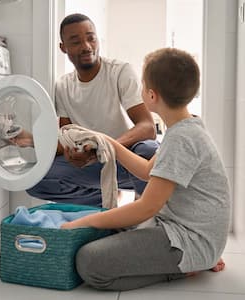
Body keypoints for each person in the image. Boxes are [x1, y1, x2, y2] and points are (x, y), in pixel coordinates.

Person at [61, 48, 231, 291]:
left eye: (142, 84)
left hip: (189, 240)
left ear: (151, 96)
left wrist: (86, 221)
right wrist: (108, 141)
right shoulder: (184, 127)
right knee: (105, 230)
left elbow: (146, 207)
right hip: (185, 230)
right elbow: (146, 171)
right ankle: (193, 259)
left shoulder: (182, 138)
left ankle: (185, 268)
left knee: (89, 263)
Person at [22, 13, 159, 206]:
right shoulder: (62, 86)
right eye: (76, 41)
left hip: (125, 157)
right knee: (35, 178)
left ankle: (146, 211)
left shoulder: (119, 71)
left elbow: (148, 127)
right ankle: (104, 201)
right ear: (63, 47)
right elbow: (65, 138)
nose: (86, 46)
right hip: (91, 161)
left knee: (150, 151)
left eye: (91, 38)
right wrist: (30, 140)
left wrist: (103, 147)